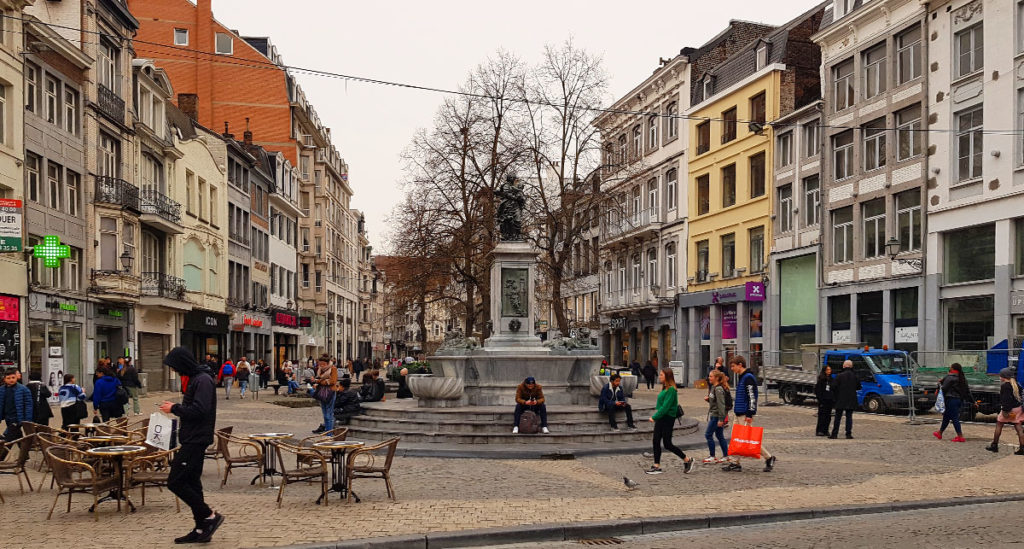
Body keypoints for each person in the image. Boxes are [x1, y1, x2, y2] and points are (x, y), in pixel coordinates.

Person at [159, 347, 224, 544]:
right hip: (192, 437)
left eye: (175, 367)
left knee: (175, 481)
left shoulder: (202, 380)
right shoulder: (197, 378)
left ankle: (209, 515)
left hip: (196, 439)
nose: (175, 372)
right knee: (193, 483)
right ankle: (200, 527)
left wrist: (175, 408)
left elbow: (200, 410)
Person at [723, 355, 775, 472]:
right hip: (739, 412)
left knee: (748, 438)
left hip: (744, 413)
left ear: (740, 365)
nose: (732, 369)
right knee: (737, 438)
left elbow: (752, 397)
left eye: (733, 366)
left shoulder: (748, 378)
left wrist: (750, 414)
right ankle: (735, 462)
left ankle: (768, 457)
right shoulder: (743, 377)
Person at [645, 368, 695, 474]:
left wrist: (654, 417)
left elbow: (666, 406)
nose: (659, 376)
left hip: (667, 418)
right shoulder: (665, 388)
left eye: (662, 375)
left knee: (667, 443)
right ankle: (656, 465)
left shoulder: (671, 389)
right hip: (662, 417)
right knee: (656, 440)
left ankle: (687, 459)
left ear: (667, 376)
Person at [986, 367, 1024, 455]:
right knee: (1018, 427)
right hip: (1017, 409)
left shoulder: (1005, 386)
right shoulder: (1017, 384)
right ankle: (1022, 447)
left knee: (999, 424)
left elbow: (1006, 400)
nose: (999, 377)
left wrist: (1005, 411)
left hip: (1009, 409)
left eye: (1001, 375)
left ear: (1004, 376)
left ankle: (994, 445)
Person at [934, 363, 971, 442]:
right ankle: (940, 432)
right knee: (946, 417)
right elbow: (968, 391)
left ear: (953, 369)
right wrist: (973, 401)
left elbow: (944, 388)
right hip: (958, 400)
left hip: (950, 399)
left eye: (950, 367)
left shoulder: (949, 377)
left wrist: (939, 387)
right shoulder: (963, 379)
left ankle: (960, 436)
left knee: (954, 418)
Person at [703, 370, 730, 463]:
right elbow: (714, 402)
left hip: (716, 416)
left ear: (717, 378)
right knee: (719, 435)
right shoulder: (713, 387)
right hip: (714, 414)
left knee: (708, 434)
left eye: (711, 376)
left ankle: (712, 455)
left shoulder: (718, 389)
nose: (709, 378)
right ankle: (726, 455)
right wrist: (708, 400)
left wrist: (721, 419)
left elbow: (721, 405)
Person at [0, 368, 32, 442]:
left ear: (16, 377)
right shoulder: (2, 389)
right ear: (4, 379)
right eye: (8, 378)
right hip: (7, 416)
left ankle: (3, 452)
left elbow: (29, 405)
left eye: (13, 377)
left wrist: (28, 420)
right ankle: (24, 451)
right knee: (17, 435)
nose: (11, 380)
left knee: (7, 436)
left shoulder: (23, 389)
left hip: (18, 417)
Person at [830, 360, 858, 440]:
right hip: (851, 399)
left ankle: (834, 433)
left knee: (838, 417)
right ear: (851, 366)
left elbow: (833, 387)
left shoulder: (839, 376)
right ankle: (848, 434)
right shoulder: (854, 376)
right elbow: (859, 386)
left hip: (840, 399)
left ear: (843, 366)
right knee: (849, 417)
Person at [311, 355, 338, 434]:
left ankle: (329, 432)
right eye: (320, 364)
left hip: (330, 392)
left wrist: (319, 381)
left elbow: (332, 381)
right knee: (325, 413)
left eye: (323, 364)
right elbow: (321, 379)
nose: (321, 366)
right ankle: (327, 430)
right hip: (322, 392)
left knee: (329, 413)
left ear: (327, 363)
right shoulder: (320, 370)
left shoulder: (333, 369)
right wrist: (316, 381)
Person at [814, 365, 835, 437]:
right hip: (823, 400)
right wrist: (820, 400)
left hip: (829, 400)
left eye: (830, 369)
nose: (829, 371)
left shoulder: (831, 379)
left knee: (828, 417)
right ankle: (820, 430)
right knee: (822, 416)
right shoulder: (821, 380)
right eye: (828, 370)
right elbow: (818, 391)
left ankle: (826, 430)